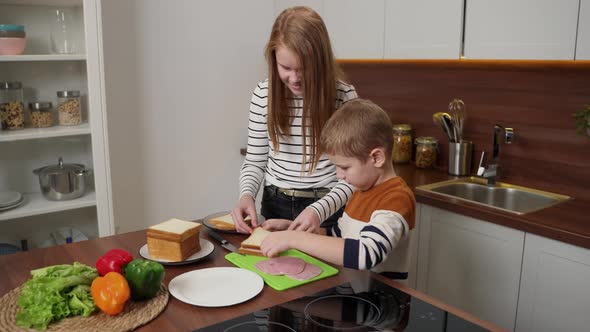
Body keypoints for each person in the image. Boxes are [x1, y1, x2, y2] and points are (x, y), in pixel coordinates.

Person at [232, 6, 358, 234]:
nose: (295, 78)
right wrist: (246, 194)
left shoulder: (344, 97)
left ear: (321, 63)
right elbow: (255, 162)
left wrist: (318, 210)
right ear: (273, 60)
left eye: (304, 69)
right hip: (275, 205)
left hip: (329, 209)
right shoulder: (263, 95)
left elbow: (352, 176)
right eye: (286, 68)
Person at [260, 99, 416, 280]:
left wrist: (294, 239)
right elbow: (338, 238)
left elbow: (366, 254)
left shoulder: (396, 198)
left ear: (377, 157)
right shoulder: (360, 191)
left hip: (383, 302)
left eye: (345, 167)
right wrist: (292, 229)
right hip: (355, 295)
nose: (339, 176)